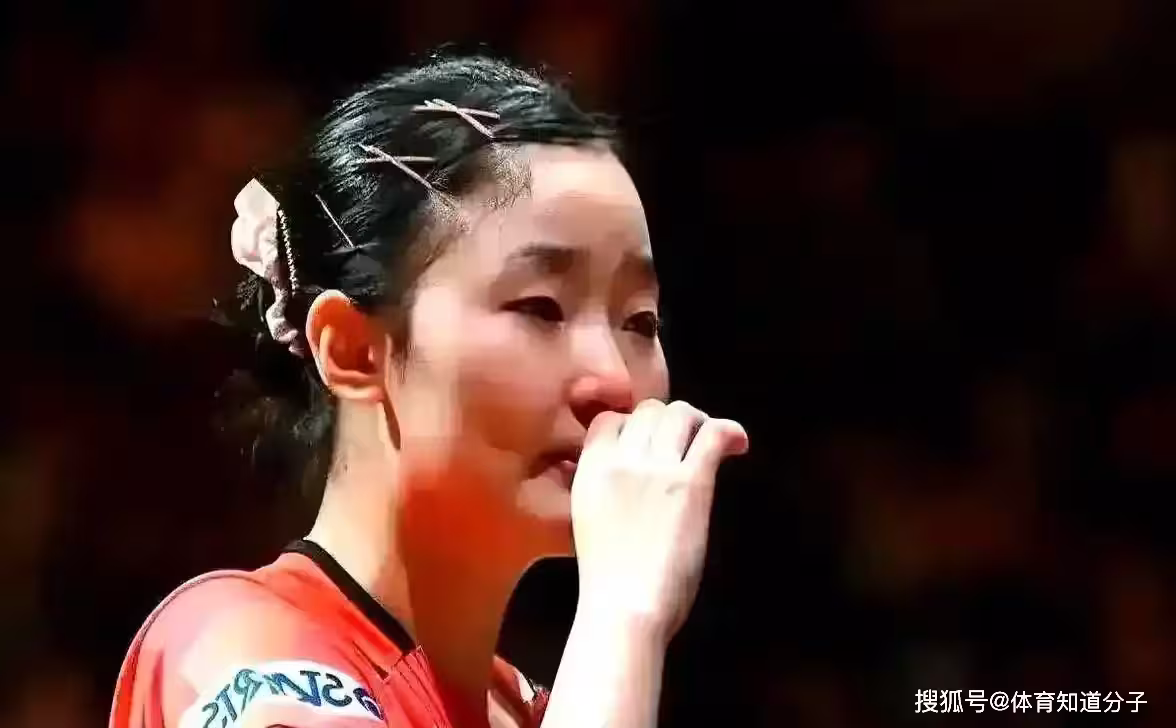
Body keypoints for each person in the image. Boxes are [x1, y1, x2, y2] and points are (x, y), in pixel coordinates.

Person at [108, 54, 749, 728]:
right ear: (353, 350)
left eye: (640, 321)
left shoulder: (545, 711)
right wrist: (622, 611)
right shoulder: (234, 650)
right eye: (541, 307)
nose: (615, 381)